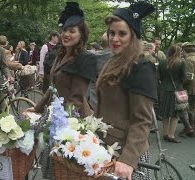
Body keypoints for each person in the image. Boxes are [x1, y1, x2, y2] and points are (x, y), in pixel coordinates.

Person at [24, 2, 97, 178]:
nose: (66, 34)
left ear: (82, 34)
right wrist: (37, 108)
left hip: (73, 121)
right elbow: (52, 88)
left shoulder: (85, 58)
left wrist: (59, 122)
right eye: (65, 30)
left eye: (72, 31)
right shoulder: (61, 54)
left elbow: (77, 98)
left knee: (67, 171)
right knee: (52, 171)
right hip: (57, 117)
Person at [96, 2, 156, 180]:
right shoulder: (113, 60)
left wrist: (128, 160)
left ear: (133, 36)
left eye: (122, 33)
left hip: (126, 153)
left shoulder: (141, 66)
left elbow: (142, 120)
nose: (115, 38)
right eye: (112, 33)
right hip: (104, 147)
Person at [158, 44, 194, 142]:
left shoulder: (162, 62)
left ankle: (165, 133)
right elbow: (184, 78)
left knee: (165, 114)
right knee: (175, 114)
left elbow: (159, 76)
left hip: (164, 90)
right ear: (179, 52)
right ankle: (171, 135)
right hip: (177, 90)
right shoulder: (181, 63)